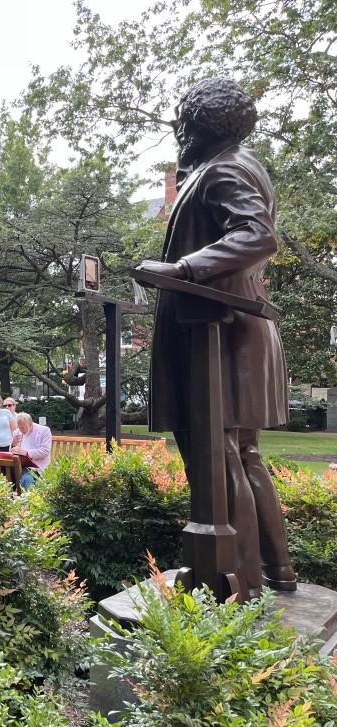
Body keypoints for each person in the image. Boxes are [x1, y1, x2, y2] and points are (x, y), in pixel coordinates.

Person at [135, 77, 295, 595]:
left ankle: (237, 582)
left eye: (183, 119)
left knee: (218, 453)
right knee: (242, 453)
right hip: (236, 333)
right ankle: (275, 571)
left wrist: (183, 269)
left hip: (215, 335)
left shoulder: (224, 168)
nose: (179, 128)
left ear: (198, 122)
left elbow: (257, 234)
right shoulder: (238, 163)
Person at [10, 412, 51, 491]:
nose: (21, 430)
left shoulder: (44, 431)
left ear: (31, 423)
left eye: (23, 427)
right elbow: (11, 451)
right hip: (19, 466)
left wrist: (26, 452)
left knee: (27, 479)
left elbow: (45, 451)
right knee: (3, 472)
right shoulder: (17, 432)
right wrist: (13, 445)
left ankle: (28, 501)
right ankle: (10, 499)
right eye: (19, 427)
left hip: (37, 467)